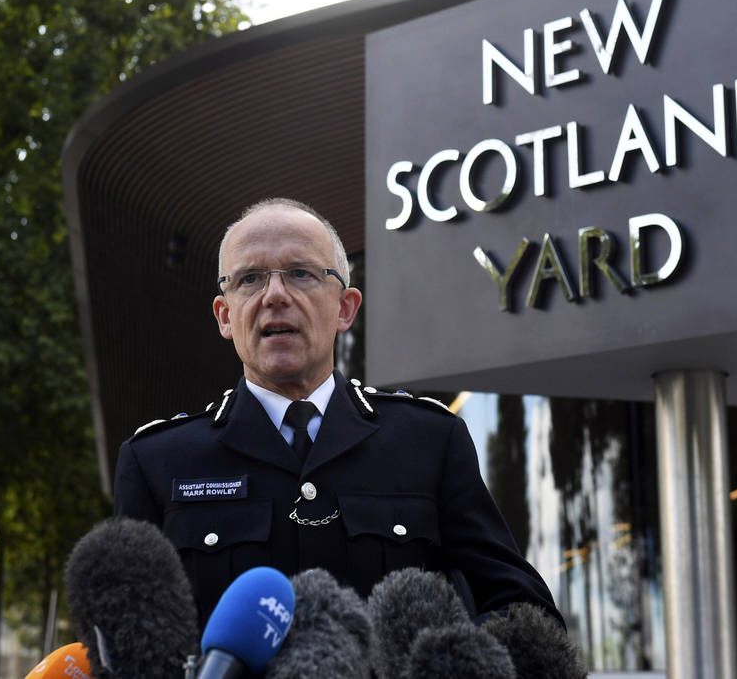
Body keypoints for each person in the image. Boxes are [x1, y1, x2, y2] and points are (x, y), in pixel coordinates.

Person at [113, 198, 562, 627]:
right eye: (249, 279)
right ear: (224, 316)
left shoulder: (428, 442)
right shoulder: (157, 463)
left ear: (345, 308)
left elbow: (523, 611)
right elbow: (126, 638)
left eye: (301, 273)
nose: (274, 295)